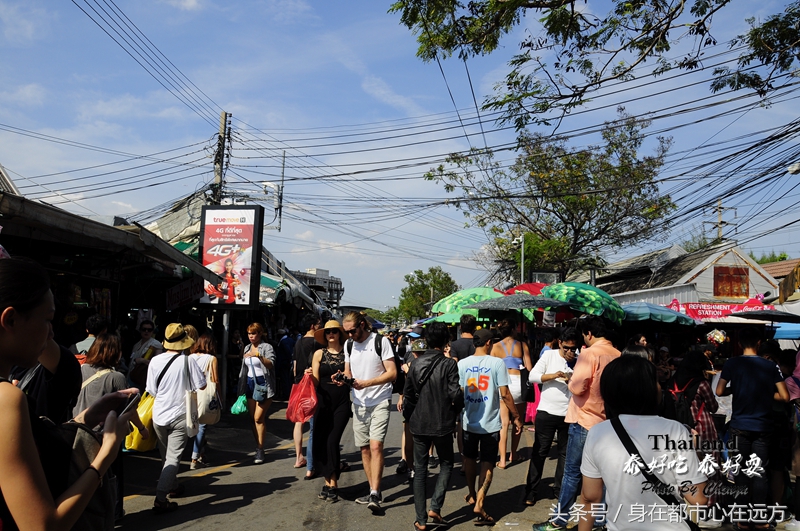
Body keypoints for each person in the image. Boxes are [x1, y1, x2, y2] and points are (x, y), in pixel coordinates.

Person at [0, 256, 137, 530]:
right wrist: (105, 454)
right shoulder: (6, 399)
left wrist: (83, 420)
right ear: (11, 319)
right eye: (47, 319)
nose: (51, 333)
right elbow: (42, 525)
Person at [577, 355, 708, 531]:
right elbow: (698, 498)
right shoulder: (675, 430)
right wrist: (697, 452)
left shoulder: (598, 433)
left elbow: (590, 498)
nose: (660, 387)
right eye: (656, 382)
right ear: (648, 389)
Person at [534, 315, 620, 531]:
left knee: (572, 472)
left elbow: (578, 387)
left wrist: (570, 380)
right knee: (603, 475)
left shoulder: (589, 354)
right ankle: (600, 521)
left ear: (589, 334)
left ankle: (559, 520)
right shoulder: (617, 354)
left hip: (585, 419)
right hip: (608, 423)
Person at [716, 327, 789, 531]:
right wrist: (764, 393)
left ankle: (741, 519)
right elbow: (784, 396)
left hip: (739, 425)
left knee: (740, 472)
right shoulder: (770, 366)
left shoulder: (732, 363)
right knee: (759, 472)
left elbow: (719, 391)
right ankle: (759, 519)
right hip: (763, 426)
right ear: (759, 343)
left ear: (739, 343)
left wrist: (737, 389)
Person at [73, 333, 145, 521]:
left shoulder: (80, 370)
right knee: (111, 476)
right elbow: (129, 410)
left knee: (82, 476)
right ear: (116, 353)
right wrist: (142, 429)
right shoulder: (117, 377)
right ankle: (114, 514)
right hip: (105, 437)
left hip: (78, 432)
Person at [459, 328, 523, 526]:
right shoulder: (497, 364)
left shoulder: (462, 364)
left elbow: (460, 391)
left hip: (468, 421)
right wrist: (516, 416)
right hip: (490, 423)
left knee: (470, 458)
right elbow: (505, 393)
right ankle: (480, 501)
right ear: (488, 343)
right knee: (487, 461)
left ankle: (471, 493)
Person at [402, 322, 460, 531]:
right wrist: (456, 412)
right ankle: (435, 506)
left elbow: (408, 395)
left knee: (420, 470)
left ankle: (421, 520)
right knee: (446, 463)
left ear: (426, 340)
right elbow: (455, 394)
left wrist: (411, 415)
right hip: (442, 422)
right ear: (445, 341)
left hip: (419, 423)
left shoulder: (415, 363)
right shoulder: (449, 364)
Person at [146, 323, 206, 514]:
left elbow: (151, 390)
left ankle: (173, 485)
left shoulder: (155, 361)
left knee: (166, 455)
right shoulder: (188, 361)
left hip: (159, 414)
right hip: (180, 414)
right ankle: (160, 498)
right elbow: (202, 385)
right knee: (173, 458)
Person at [342, 311, 397, 513]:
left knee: (376, 446)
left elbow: (392, 373)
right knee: (364, 448)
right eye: (347, 332)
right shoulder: (349, 345)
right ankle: (373, 489)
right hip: (359, 402)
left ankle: (374, 492)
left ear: (362, 325)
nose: (350, 335)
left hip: (380, 398)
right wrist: (343, 378)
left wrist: (367, 383)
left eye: (352, 331)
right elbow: (348, 371)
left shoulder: (380, 342)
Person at [524, 327, 578, 505]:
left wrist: (571, 379)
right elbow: (533, 376)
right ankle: (531, 491)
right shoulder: (549, 355)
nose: (569, 352)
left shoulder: (579, 360)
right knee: (540, 452)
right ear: (559, 343)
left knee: (564, 454)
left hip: (568, 413)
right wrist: (553, 376)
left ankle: (559, 489)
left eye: (573, 348)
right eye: (566, 348)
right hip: (546, 411)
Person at [311, 320, 351, 502]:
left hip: (342, 401)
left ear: (340, 333)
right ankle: (328, 483)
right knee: (321, 441)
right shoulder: (319, 353)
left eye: (334, 331)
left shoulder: (348, 352)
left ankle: (333, 483)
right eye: (328, 332)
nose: (331, 334)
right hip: (323, 402)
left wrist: (345, 378)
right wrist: (309, 376)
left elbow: (352, 375)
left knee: (332, 441)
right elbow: (316, 380)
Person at [491, 318, 530, 468]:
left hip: (503, 384)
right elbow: (529, 368)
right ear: (513, 329)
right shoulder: (522, 345)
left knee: (504, 423)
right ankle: (513, 454)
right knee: (517, 421)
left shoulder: (495, 347)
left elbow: (492, 370)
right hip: (519, 383)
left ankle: (502, 460)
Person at [237, 322, 276, 465]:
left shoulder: (266, 347)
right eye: (249, 334)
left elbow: (271, 364)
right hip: (249, 382)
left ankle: (260, 448)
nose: (251, 336)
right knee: (253, 418)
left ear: (260, 334)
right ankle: (259, 446)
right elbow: (244, 367)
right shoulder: (247, 347)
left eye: (253, 333)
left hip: (263, 383)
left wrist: (258, 355)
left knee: (259, 418)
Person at [293, 314, 322, 476]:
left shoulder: (298, 342)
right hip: (311, 384)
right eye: (319, 324)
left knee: (299, 422)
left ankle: (299, 457)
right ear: (312, 326)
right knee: (313, 424)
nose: (320, 326)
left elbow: (295, 367)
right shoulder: (317, 342)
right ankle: (312, 462)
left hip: (299, 384)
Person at [189, 332, 219, 470]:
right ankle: (194, 459)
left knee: (191, 423)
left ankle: (200, 453)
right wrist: (219, 396)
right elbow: (215, 379)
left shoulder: (190, 357)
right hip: (204, 394)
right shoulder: (211, 359)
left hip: (189, 393)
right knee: (201, 426)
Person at [128, 320, 163, 390]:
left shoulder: (156, 344)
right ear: (140, 330)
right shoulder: (136, 344)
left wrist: (142, 360)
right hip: (131, 375)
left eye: (149, 330)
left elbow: (157, 364)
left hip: (143, 378)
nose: (146, 331)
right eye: (144, 329)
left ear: (152, 331)